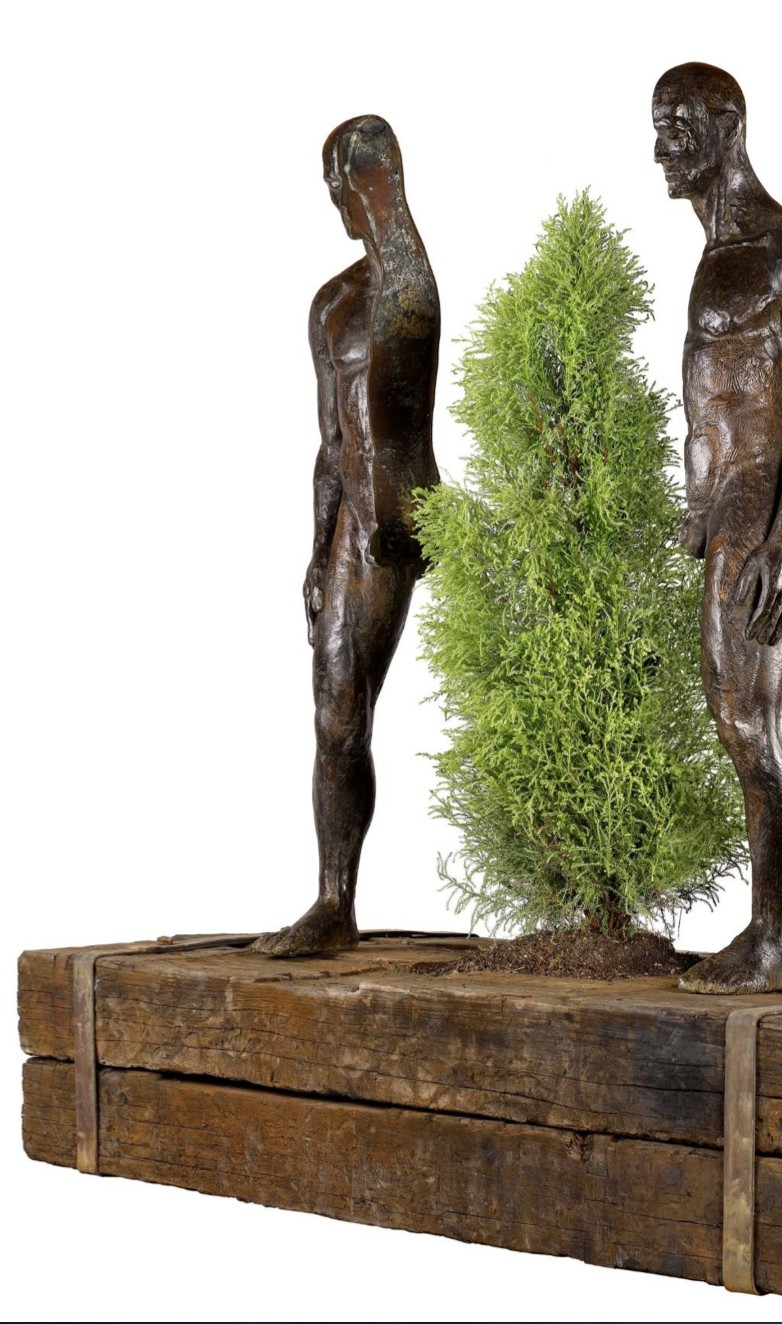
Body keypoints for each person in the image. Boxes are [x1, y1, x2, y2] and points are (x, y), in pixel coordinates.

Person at [653, 65, 782, 993]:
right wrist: (696, 514)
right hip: (724, 524)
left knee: (753, 726)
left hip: (760, 524)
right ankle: (767, 937)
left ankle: (775, 943)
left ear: (729, 126)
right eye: (658, 127)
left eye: (679, 127)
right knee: (734, 721)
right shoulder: (712, 257)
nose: (661, 148)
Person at [254, 116, 439, 956]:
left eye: (346, 183)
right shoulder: (332, 304)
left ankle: (335, 901)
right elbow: (331, 442)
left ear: (375, 182)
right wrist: (314, 545)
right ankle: (334, 900)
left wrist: (377, 179)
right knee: (334, 716)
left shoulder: (409, 283)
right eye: (331, 185)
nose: (336, 200)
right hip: (349, 528)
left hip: (399, 525)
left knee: (343, 712)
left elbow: (405, 270)